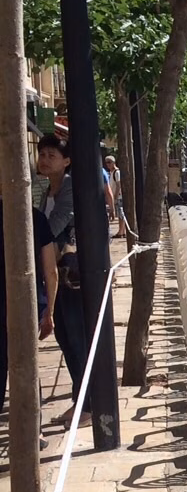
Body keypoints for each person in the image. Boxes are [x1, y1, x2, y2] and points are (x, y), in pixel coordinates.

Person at [35, 134, 88, 427]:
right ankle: (80, 401)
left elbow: (52, 229)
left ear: (66, 161)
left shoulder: (68, 190)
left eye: (51, 155)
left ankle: (89, 405)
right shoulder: (48, 191)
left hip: (72, 277)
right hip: (55, 275)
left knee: (77, 339)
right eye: (42, 154)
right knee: (65, 339)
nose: (44, 159)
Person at [0, 198, 58, 419]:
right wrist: (50, 311)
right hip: (26, 303)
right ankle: (34, 426)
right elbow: (50, 271)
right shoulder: (36, 218)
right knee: (26, 365)